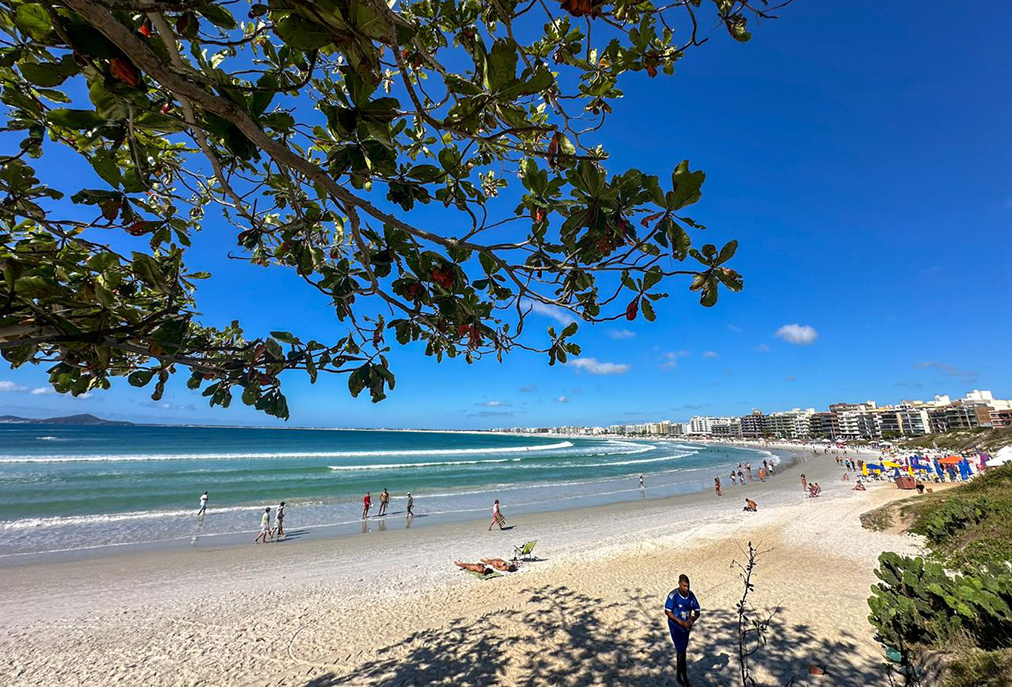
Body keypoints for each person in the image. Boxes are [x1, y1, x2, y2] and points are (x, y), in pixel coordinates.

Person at [665, 574, 701, 686]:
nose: (687, 588)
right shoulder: (673, 596)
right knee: (681, 651)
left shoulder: (691, 596)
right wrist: (681, 623)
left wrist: (691, 620)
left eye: (688, 586)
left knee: (682, 651)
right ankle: (683, 676)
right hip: (675, 626)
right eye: (684, 586)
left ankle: (679, 673)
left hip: (686, 626)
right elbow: (668, 612)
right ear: (679, 584)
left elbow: (697, 611)